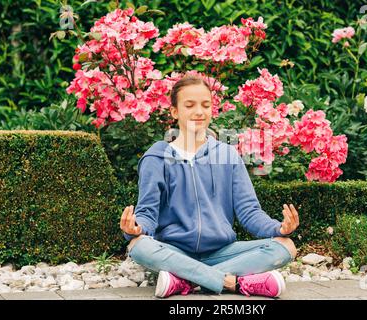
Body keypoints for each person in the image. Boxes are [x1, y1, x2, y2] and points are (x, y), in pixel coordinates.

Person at [120, 75, 299, 298]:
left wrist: (278, 229)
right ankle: (235, 283)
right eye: (190, 105)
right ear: (175, 112)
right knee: (138, 245)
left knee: (285, 245)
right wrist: (137, 228)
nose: (199, 111)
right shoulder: (156, 158)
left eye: (206, 105)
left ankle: (185, 281)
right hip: (175, 251)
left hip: (222, 252)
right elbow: (147, 212)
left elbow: (249, 211)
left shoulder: (227, 155)